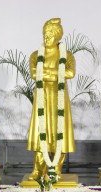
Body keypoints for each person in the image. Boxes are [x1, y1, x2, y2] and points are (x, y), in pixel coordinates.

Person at [27, 18, 76, 181]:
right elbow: (35, 75)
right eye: (44, 33)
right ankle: (38, 171)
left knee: (58, 133)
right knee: (41, 133)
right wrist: (56, 75)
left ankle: (56, 170)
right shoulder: (35, 55)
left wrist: (47, 75)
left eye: (49, 34)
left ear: (57, 35)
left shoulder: (67, 55)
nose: (45, 37)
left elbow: (70, 73)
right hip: (42, 97)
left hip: (59, 99)